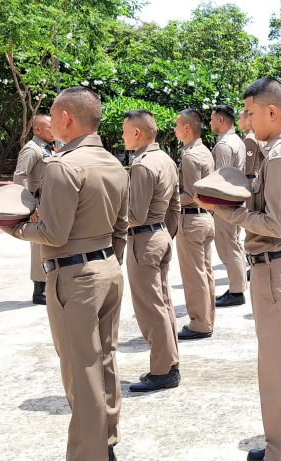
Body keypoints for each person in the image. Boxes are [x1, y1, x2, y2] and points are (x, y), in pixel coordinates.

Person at [5, 86, 128, 461]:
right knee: (104, 361)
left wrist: (13, 227)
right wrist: (108, 262)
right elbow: (121, 227)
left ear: (66, 118)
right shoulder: (113, 163)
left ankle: (89, 453)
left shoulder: (62, 165)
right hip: (108, 269)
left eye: (54, 115)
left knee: (81, 368)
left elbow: (53, 233)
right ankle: (106, 442)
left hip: (75, 277)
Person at [198, 77, 281, 461]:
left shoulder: (279, 157)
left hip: (276, 268)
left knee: (279, 370)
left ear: (272, 112)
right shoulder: (275, 150)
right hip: (276, 267)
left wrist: (228, 212)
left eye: (250, 112)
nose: (245, 120)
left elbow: (275, 224)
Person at [123, 109, 182, 392]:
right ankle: (168, 363)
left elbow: (134, 215)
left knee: (150, 308)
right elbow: (175, 207)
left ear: (137, 133)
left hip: (144, 239)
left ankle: (163, 370)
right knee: (163, 303)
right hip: (159, 234)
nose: (122, 136)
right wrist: (165, 234)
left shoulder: (142, 165)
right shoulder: (167, 160)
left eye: (125, 131)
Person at [173, 108, 218, 341]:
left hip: (192, 219)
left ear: (186, 128)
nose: (174, 129)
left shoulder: (190, 156)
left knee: (194, 276)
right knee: (205, 272)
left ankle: (199, 323)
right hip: (205, 218)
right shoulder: (204, 151)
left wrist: (166, 199)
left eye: (176, 125)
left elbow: (190, 194)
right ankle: (206, 319)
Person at [12, 114, 56, 305]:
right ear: (37, 130)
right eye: (49, 127)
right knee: (38, 247)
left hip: (51, 204)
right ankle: (40, 289)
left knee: (50, 244)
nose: (54, 130)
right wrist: (30, 207)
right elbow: (19, 177)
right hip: (38, 205)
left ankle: (50, 284)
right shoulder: (32, 149)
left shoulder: (49, 149)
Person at [210, 105, 250, 307]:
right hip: (234, 200)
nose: (210, 123)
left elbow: (222, 178)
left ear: (220, 120)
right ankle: (237, 287)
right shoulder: (237, 141)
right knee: (233, 244)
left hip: (225, 202)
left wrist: (214, 205)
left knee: (228, 246)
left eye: (212, 119)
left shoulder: (224, 145)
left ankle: (236, 292)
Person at [241, 110, 266, 180]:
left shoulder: (250, 139)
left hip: (250, 180)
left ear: (247, 121)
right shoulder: (258, 135)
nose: (238, 121)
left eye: (240, 118)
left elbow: (247, 168)